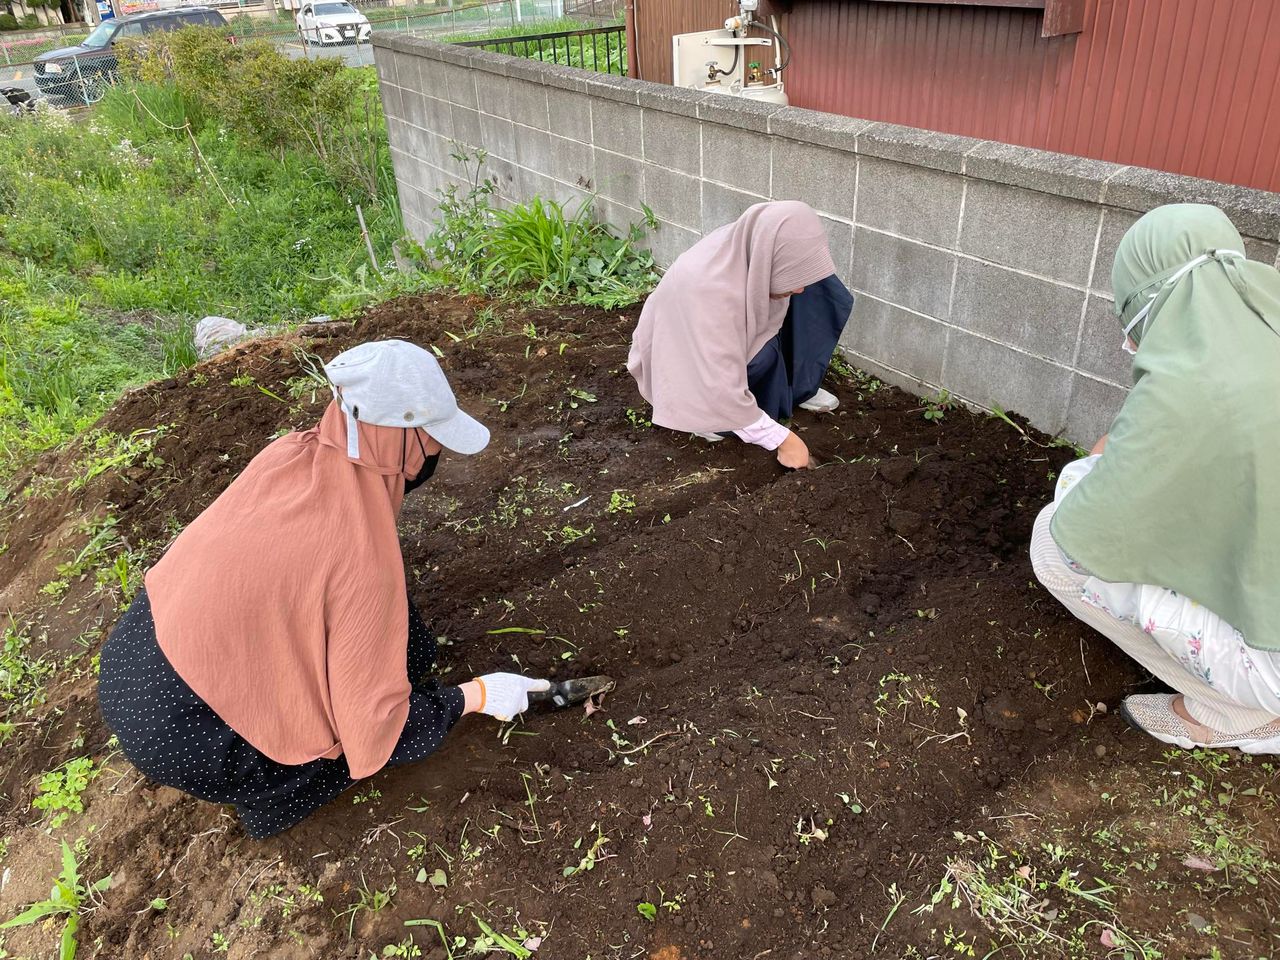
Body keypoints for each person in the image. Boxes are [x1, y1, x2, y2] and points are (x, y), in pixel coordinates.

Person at [97, 340, 551, 837]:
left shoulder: (290, 453)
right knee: (339, 752)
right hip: (186, 736)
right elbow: (379, 730)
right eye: (431, 438)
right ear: (395, 440)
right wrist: (477, 695)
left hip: (134, 655)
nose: (438, 451)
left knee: (401, 642)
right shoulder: (360, 559)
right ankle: (269, 795)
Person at [1031, 204, 1280, 754]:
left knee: (1054, 545)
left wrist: (1084, 471)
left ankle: (1234, 715)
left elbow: (1094, 530)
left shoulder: (1191, 389)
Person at [627, 201, 855, 470]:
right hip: (689, 363)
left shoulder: (755, 245)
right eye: (792, 277)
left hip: (719, 334)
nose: (800, 289)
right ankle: (710, 418)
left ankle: (796, 388)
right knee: (760, 358)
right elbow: (718, 381)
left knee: (820, 293)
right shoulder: (709, 294)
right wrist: (784, 440)